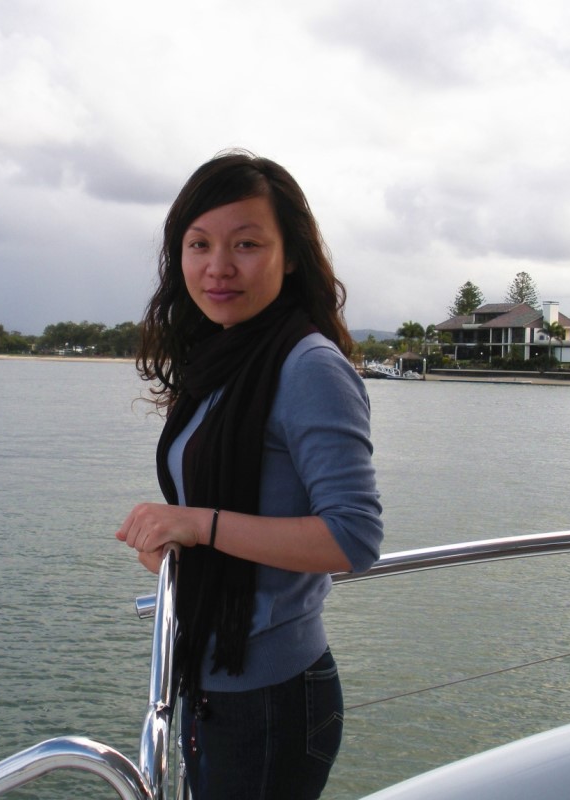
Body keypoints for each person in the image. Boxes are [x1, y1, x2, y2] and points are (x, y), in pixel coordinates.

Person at [116, 150, 383, 800]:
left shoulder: (307, 366)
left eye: (246, 244)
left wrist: (198, 525)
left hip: (271, 697)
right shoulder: (224, 359)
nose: (218, 266)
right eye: (199, 244)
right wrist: (177, 548)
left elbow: (353, 538)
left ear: (290, 256)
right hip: (215, 681)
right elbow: (238, 516)